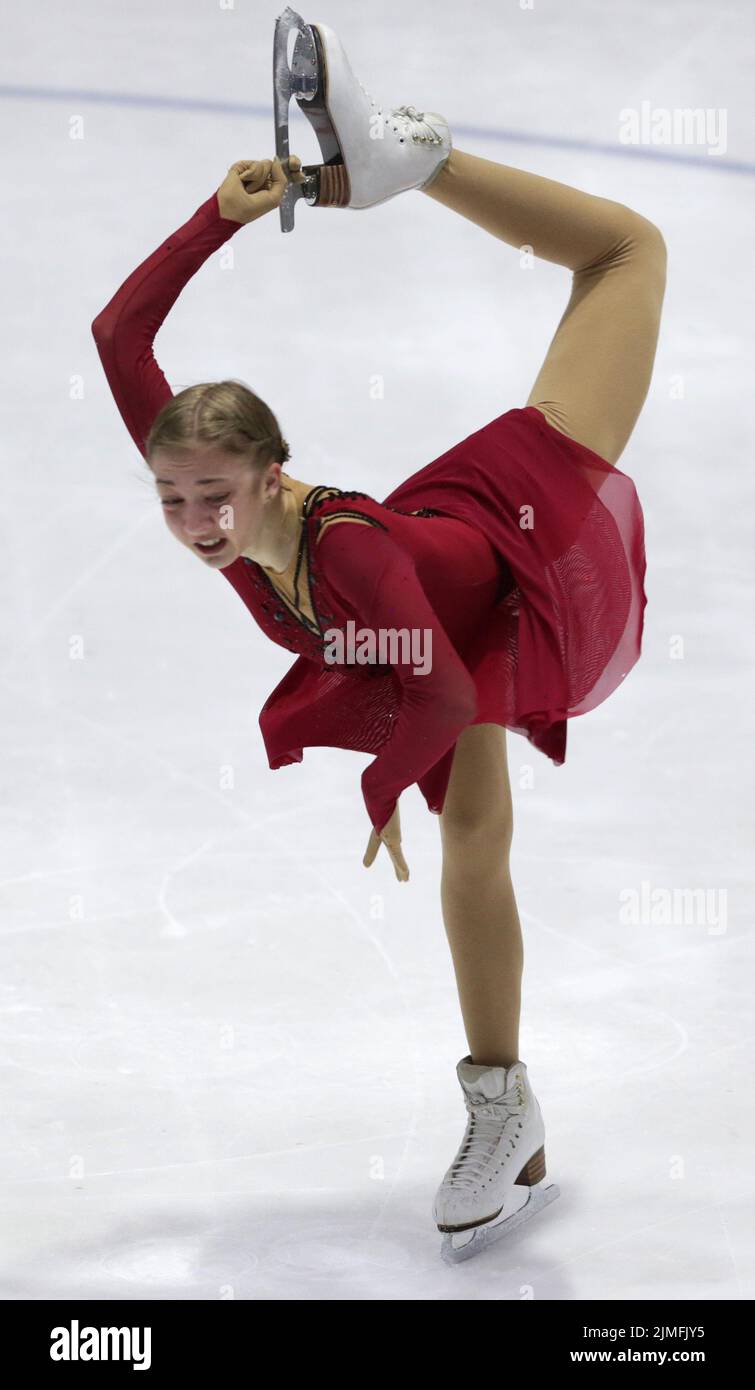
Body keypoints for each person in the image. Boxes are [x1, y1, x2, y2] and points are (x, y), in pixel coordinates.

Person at [91, 17, 666, 1260]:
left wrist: (384, 778)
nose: (195, 523)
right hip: (428, 614)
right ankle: (503, 1109)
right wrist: (214, 219)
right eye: (173, 498)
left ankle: (420, 159)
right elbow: (116, 341)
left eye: (216, 495)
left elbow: (439, 685)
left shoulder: (336, 549)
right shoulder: (243, 524)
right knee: (474, 848)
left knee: (626, 252)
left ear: (275, 473)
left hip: (513, 535)